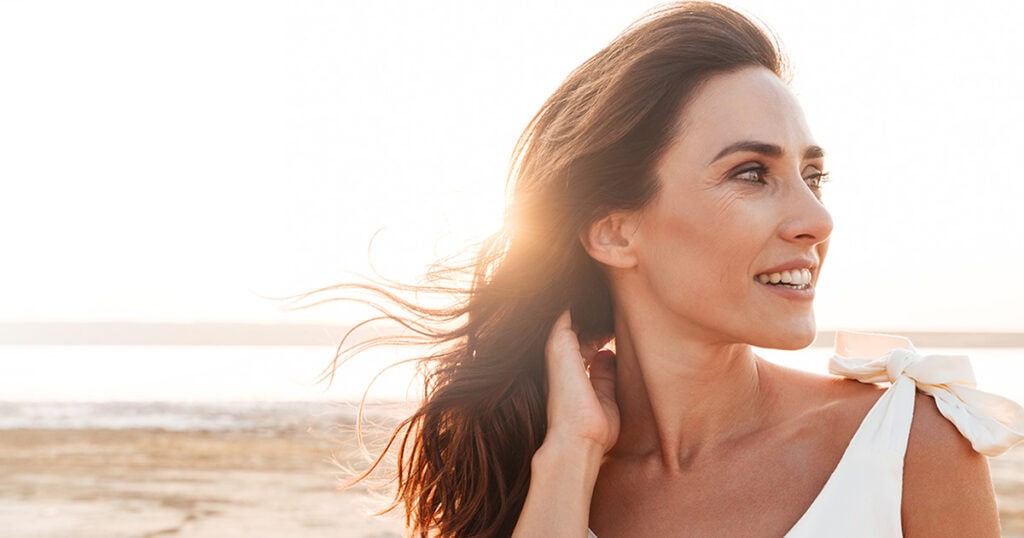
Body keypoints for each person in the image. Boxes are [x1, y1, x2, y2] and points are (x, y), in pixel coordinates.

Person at [328, 2, 1024, 536]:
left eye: (814, 174)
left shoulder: (909, 442)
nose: (816, 218)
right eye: (752, 173)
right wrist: (567, 460)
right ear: (614, 231)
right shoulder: (539, 479)